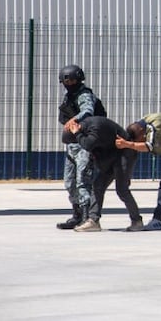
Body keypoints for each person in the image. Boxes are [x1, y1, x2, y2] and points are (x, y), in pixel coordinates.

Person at [68, 116, 143, 232]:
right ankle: (93, 221)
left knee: (122, 190)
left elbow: (87, 145)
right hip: (111, 156)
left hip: (125, 153)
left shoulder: (95, 127)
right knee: (97, 186)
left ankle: (137, 221)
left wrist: (77, 133)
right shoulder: (88, 129)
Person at [56, 64, 107, 230]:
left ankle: (87, 217)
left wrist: (74, 119)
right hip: (72, 144)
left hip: (85, 143)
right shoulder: (69, 97)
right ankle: (77, 214)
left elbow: (88, 110)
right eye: (66, 81)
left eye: (72, 80)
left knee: (83, 181)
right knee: (69, 182)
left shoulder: (84, 95)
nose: (69, 84)